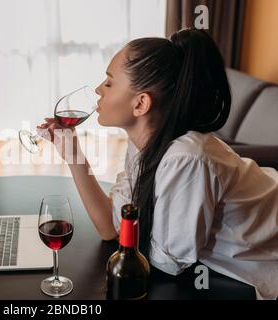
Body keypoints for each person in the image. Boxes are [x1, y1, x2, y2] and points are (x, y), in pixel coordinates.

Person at [37, 28, 278, 300]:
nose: (97, 90)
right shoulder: (144, 143)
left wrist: (129, 229)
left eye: (109, 82)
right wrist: (73, 155)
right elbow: (110, 227)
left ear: (141, 104)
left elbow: (168, 262)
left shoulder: (186, 159)